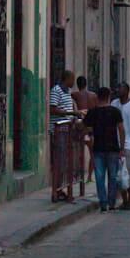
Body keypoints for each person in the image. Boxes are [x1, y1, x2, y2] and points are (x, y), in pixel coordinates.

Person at [82, 87, 125, 212]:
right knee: (112, 176)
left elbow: (85, 128)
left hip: (98, 149)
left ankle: (103, 203)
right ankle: (112, 202)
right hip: (113, 148)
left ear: (97, 97)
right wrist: (122, 147)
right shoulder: (115, 111)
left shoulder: (92, 112)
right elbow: (121, 129)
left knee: (100, 177)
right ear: (108, 97)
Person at [49, 71, 79, 202]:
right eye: (72, 79)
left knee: (65, 162)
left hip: (66, 130)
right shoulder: (56, 91)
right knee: (59, 161)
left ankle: (61, 189)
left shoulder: (67, 92)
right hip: (59, 131)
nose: (73, 82)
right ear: (67, 79)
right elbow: (53, 109)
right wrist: (72, 112)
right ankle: (56, 191)